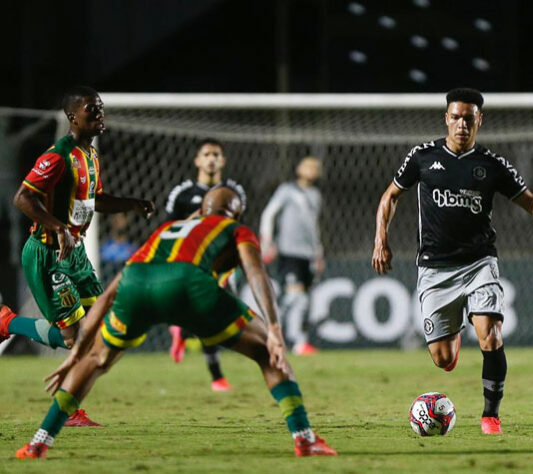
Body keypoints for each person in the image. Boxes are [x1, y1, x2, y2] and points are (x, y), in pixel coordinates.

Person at [15, 188, 337, 459]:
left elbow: (114, 289)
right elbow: (256, 273)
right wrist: (276, 331)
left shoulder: (166, 230)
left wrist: (78, 353)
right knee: (268, 353)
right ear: (235, 213)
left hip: (135, 284)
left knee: (96, 360)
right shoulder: (234, 228)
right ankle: (305, 438)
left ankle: (39, 442)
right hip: (188, 284)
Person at [372, 88, 533, 435]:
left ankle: (491, 415)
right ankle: (454, 335)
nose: (462, 123)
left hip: (479, 263)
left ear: (480, 120)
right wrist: (380, 239)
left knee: (490, 335)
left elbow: (530, 199)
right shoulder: (422, 156)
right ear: (447, 118)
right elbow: (390, 196)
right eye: (456, 117)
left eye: (469, 118)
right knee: (443, 360)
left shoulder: (491, 165)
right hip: (434, 267)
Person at [1, 86, 154, 427]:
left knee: (101, 325)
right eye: (91, 109)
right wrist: (56, 227)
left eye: (100, 107)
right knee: (74, 338)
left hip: (76, 254)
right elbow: (23, 198)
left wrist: (131, 203)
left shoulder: (91, 156)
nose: (100, 113)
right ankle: (8, 325)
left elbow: (94, 200)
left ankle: (8, 323)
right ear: (73, 117)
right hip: (48, 254)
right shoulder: (58, 155)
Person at [164, 138, 247, 392]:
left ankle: (182, 330)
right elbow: (168, 230)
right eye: (207, 154)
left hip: (221, 261)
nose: (211, 158)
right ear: (197, 160)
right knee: (210, 317)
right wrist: (199, 215)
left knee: (217, 317)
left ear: (222, 161)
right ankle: (217, 377)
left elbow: (238, 227)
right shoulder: (182, 193)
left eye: (216, 154)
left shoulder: (234, 191)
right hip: (190, 261)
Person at [260, 157, 324, 356]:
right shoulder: (287, 190)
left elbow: (314, 226)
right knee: (296, 297)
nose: (311, 169)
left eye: (315, 167)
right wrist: (267, 242)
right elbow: (269, 214)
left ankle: (297, 341)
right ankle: (271, 330)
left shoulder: (315, 195)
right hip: (289, 251)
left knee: (303, 299)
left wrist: (318, 252)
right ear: (299, 168)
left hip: (308, 254)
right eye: (308, 165)